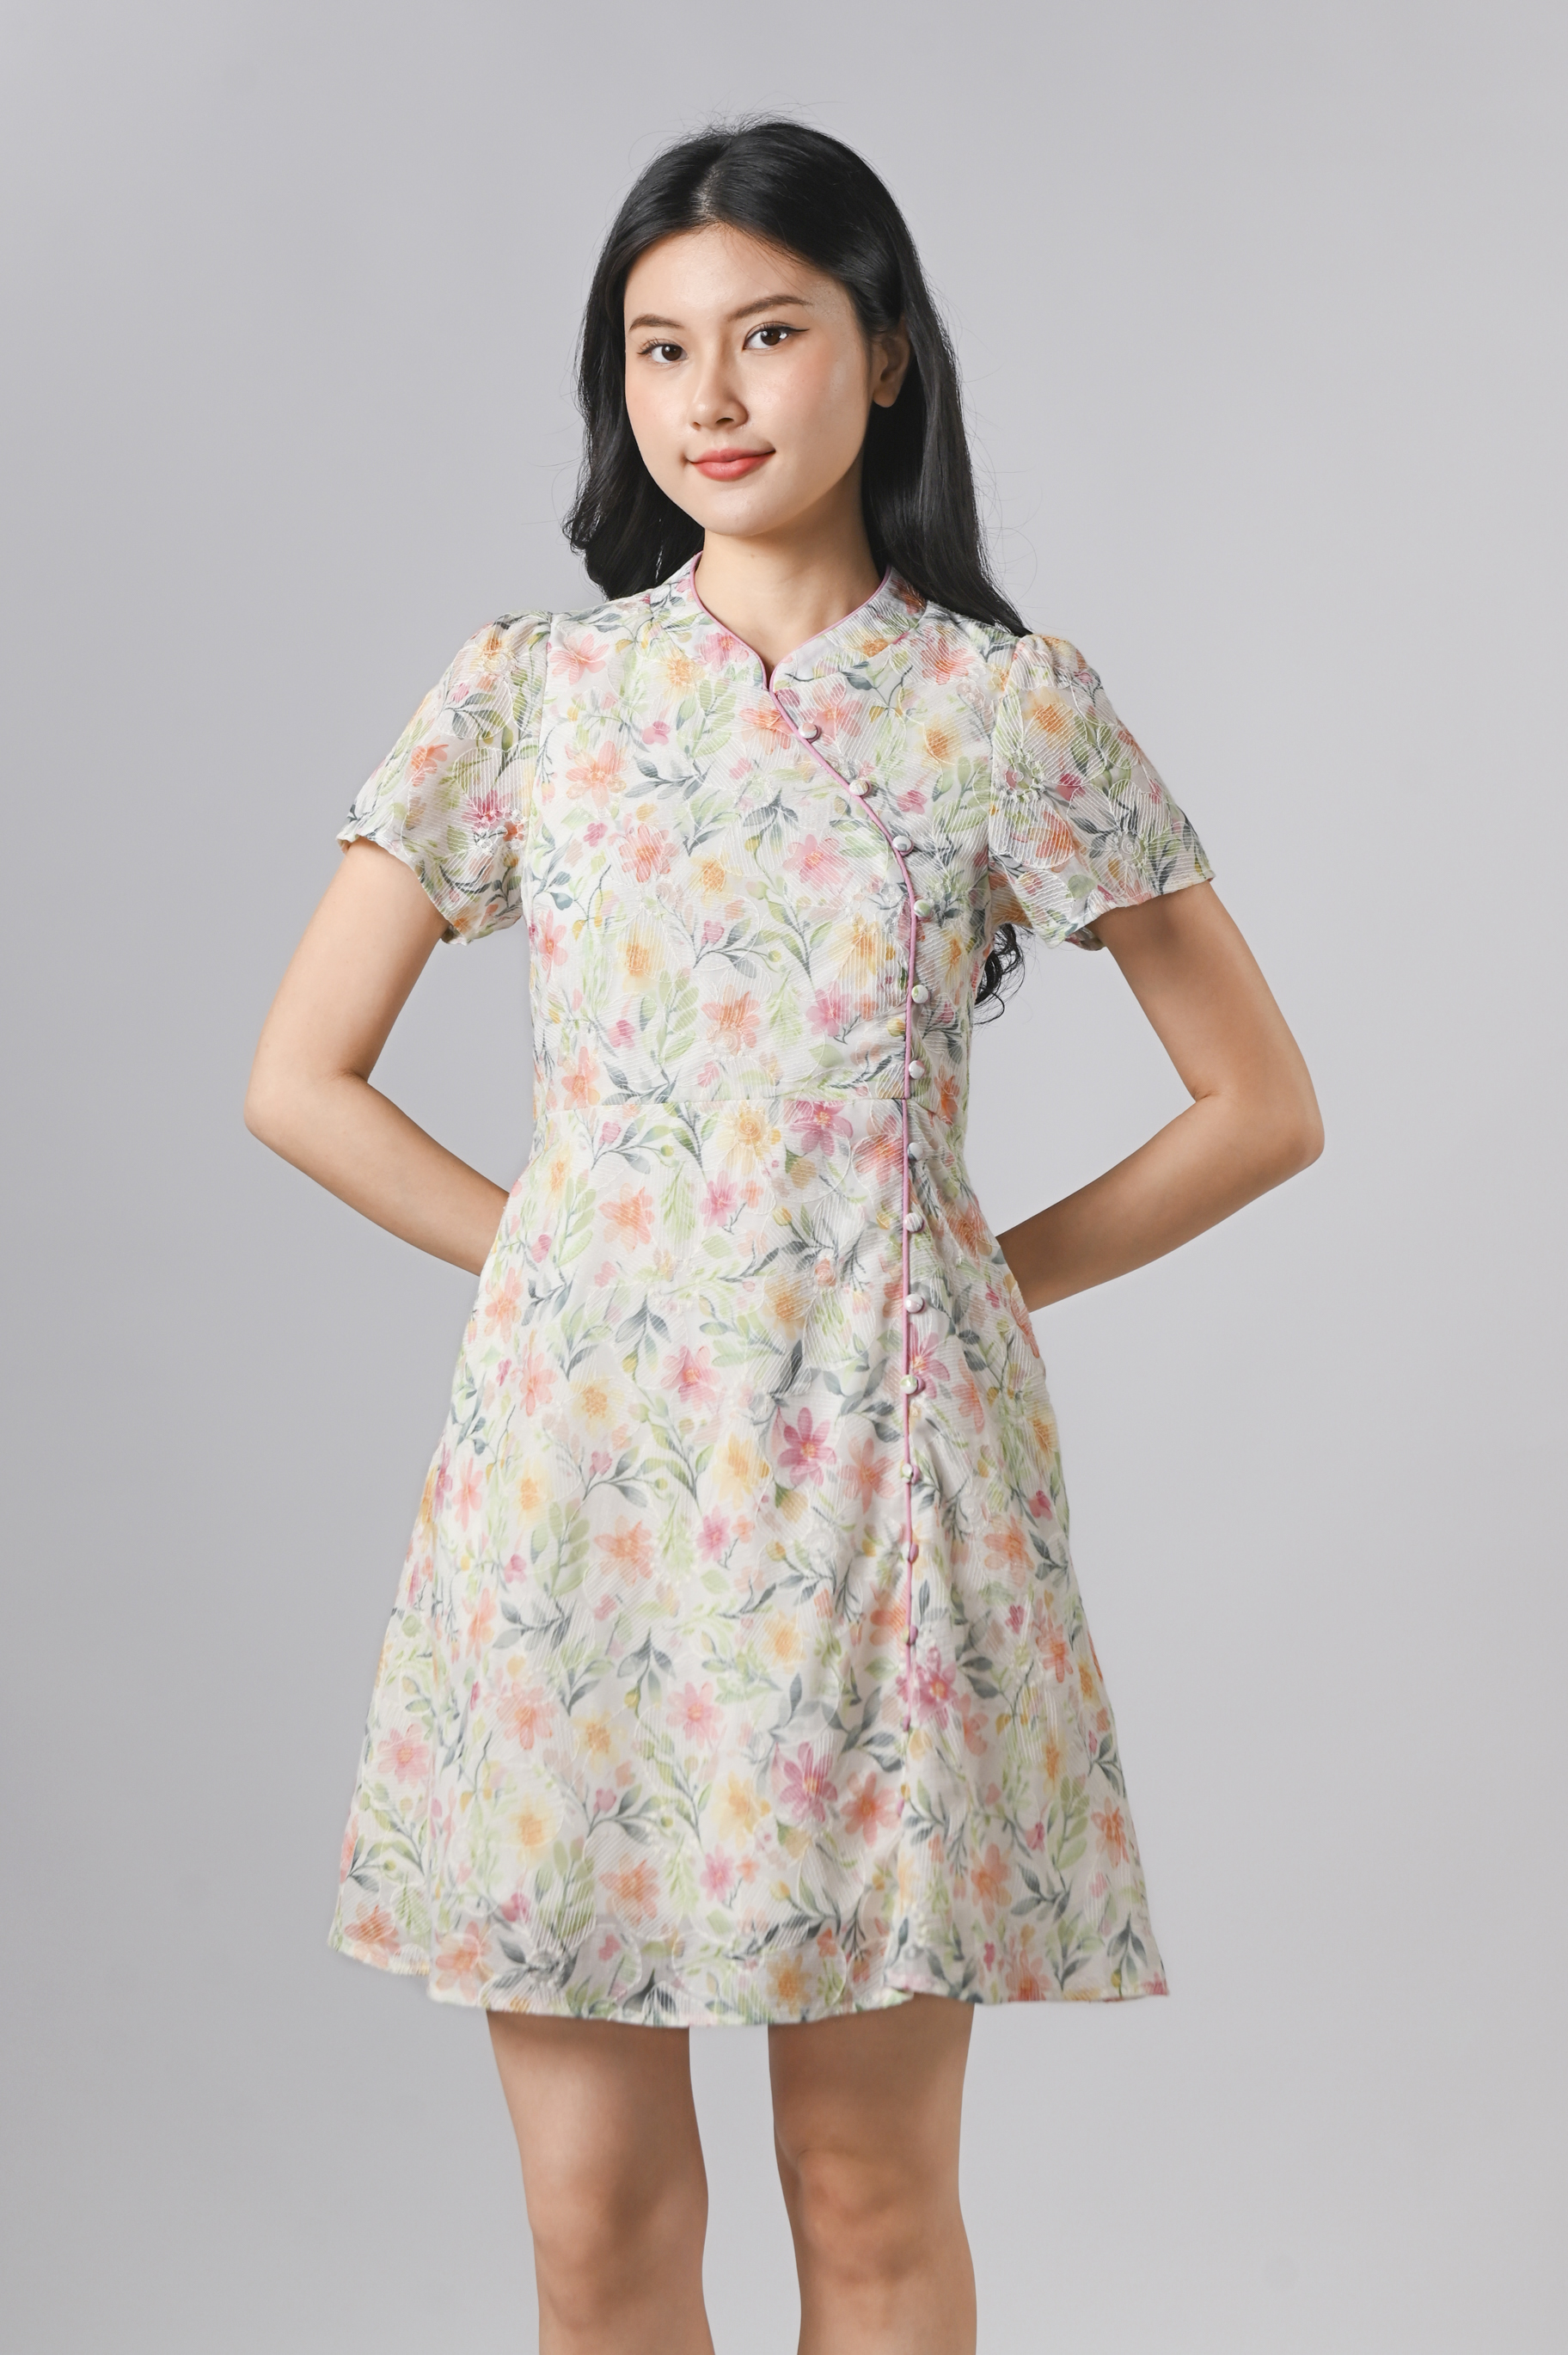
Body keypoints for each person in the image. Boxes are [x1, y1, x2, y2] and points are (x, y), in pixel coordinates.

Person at [246, 118, 1322, 2355]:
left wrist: (962, 1276)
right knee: (595, 2220)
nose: (710, 395)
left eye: (767, 333)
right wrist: (563, 1258)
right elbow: (301, 1076)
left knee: (867, 2194)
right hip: (582, 1501)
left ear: (886, 354)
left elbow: (1258, 1106)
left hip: (878, 1505)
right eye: (659, 348)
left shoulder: (1005, 707)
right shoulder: (534, 697)